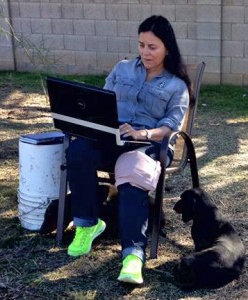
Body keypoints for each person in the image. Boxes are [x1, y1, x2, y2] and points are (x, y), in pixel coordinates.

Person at [66, 15, 191, 285]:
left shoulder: (176, 85)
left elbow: (170, 126)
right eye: (141, 45)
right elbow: (101, 101)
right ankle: (87, 224)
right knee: (78, 151)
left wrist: (142, 133)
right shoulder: (122, 69)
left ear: (167, 48)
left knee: (132, 168)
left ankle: (133, 256)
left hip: (150, 145)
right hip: (113, 137)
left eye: (153, 47)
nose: (145, 52)